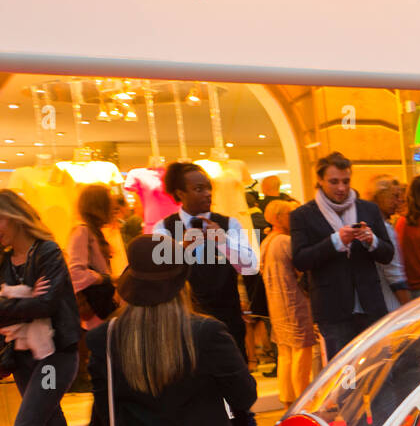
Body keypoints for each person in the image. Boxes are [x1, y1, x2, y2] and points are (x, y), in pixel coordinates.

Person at [86, 235, 257, 426]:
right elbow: (244, 396)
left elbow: (107, 412)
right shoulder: (207, 333)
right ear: (182, 283)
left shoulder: (104, 338)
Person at [0, 191, 96, 426]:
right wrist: (25, 299)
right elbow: (35, 304)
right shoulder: (5, 259)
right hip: (23, 355)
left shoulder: (49, 252)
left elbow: (50, 303)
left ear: (15, 216)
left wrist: (12, 300)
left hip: (55, 357)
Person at [289, 152, 393, 359]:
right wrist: (336, 241)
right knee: (344, 380)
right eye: (334, 182)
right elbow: (301, 260)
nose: (341, 188)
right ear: (320, 180)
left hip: (371, 306)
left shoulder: (368, 209)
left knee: (379, 372)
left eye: (346, 181)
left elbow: (388, 254)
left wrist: (372, 241)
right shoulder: (303, 215)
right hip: (332, 310)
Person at [152, 162, 260, 355]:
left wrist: (223, 241)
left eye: (209, 188)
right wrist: (181, 248)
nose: (208, 193)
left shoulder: (229, 224)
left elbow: (249, 266)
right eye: (199, 189)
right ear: (180, 194)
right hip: (183, 321)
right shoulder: (164, 227)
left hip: (227, 317)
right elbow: (159, 273)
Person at [260, 200, 314, 406]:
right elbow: (303, 265)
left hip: (277, 303)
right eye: (289, 214)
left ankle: (288, 399)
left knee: (285, 352)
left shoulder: (267, 241)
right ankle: (303, 399)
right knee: (301, 350)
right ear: (278, 218)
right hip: (293, 301)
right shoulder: (283, 241)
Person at [68, 184, 119, 330]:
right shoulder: (82, 231)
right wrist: (107, 278)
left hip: (100, 305)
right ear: (99, 206)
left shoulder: (92, 231)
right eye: (110, 203)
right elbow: (76, 273)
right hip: (95, 307)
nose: (114, 208)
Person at [366, 176, 412, 309]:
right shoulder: (384, 228)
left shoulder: (376, 224)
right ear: (379, 196)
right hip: (389, 303)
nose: (399, 201)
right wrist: (409, 308)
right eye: (394, 196)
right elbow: (395, 273)